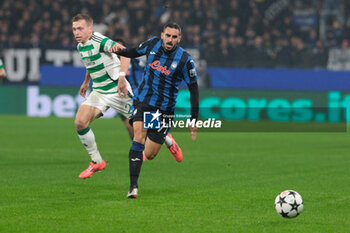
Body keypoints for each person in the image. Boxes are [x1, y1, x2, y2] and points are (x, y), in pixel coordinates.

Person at [110, 22, 199, 198]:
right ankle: (133, 187)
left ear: (179, 39)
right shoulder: (152, 44)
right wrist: (115, 50)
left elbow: (193, 88)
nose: (170, 40)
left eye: (174, 37)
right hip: (143, 101)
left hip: (164, 110)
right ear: (162, 35)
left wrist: (193, 117)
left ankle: (167, 139)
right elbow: (133, 52)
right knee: (138, 137)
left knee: (149, 155)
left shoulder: (185, 60)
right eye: (168, 36)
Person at [72, 13, 134, 179]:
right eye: (74, 29)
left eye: (80, 28)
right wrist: (86, 82)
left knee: (145, 127)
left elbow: (126, 53)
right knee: (80, 122)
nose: (76, 32)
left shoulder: (99, 40)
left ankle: (168, 139)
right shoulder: (80, 46)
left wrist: (122, 77)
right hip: (99, 91)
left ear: (90, 29)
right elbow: (90, 64)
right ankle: (97, 161)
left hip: (117, 89)